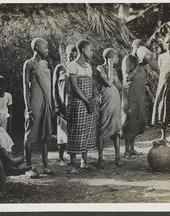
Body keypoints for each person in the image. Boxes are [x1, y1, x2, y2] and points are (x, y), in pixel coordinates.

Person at [23, 37, 54, 178]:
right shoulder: (28, 64)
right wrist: (28, 108)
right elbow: (25, 87)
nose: (47, 50)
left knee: (45, 133)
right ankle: (28, 167)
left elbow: (48, 85)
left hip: (45, 102)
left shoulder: (45, 64)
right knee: (30, 134)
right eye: (45, 47)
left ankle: (45, 166)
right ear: (37, 48)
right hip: (34, 102)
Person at [66, 39, 97, 173]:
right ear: (83, 50)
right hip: (78, 103)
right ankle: (73, 164)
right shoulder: (72, 66)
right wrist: (86, 101)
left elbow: (91, 84)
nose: (92, 53)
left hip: (89, 101)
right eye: (91, 50)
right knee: (76, 130)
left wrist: (93, 98)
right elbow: (75, 87)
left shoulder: (88, 66)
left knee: (87, 129)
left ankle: (84, 162)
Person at [121, 39, 151, 158]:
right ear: (132, 48)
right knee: (129, 119)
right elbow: (127, 77)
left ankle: (132, 148)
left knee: (137, 119)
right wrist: (138, 66)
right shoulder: (127, 59)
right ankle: (127, 150)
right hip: (130, 94)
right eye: (136, 48)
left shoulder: (142, 61)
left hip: (139, 95)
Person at [97, 48, 123, 167]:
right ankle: (100, 159)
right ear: (110, 58)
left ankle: (117, 158)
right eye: (116, 58)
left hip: (115, 100)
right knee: (103, 127)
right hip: (106, 101)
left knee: (116, 129)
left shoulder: (114, 70)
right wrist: (111, 70)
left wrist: (113, 73)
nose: (118, 60)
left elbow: (120, 86)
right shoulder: (100, 68)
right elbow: (108, 82)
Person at [53, 44, 77, 167]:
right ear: (66, 56)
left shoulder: (77, 68)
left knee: (73, 132)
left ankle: (73, 158)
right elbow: (54, 89)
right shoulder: (60, 68)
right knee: (62, 133)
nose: (72, 59)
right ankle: (61, 158)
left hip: (74, 105)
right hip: (62, 105)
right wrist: (57, 106)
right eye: (70, 56)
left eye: (74, 56)